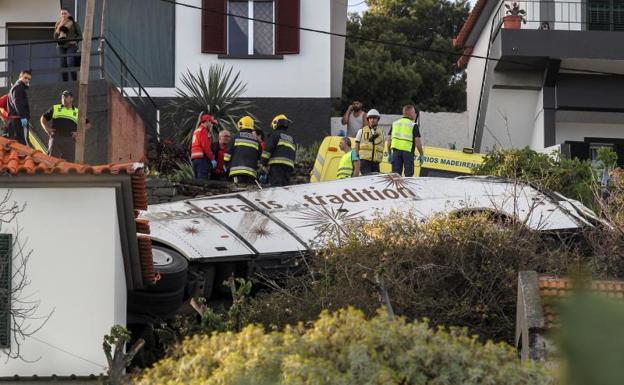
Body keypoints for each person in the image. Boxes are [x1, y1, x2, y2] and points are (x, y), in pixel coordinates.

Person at [386, 104, 424, 178]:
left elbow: (389, 141)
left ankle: (396, 189)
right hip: (408, 153)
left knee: (395, 177)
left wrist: (389, 153)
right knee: (408, 177)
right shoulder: (413, 125)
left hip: (396, 153)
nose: (415, 114)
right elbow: (417, 142)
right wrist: (421, 154)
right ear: (410, 113)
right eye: (414, 112)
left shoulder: (395, 123)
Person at [224, 116, 262, 185]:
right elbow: (260, 158)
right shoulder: (256, 141)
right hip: (251, 173)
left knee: (238, 191)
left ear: (240, 125)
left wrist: (226, 165)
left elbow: (227, 155)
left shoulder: (235, 137)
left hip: (236, 172)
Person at [261, 114, 296, 187]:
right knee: (285, 187)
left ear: (276, 123)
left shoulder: (275, 135)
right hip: (288, 167)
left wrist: (263, 162)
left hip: (277, 166)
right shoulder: (292, 138)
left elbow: (268, 150)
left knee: (276, 187)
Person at [54, 8, 82, 82]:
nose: (63, 15)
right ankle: (65, 83)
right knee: (63, 64)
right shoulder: (58, 24)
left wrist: (73, 40)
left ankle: (74, 81)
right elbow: (55, 37)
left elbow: (80, 36)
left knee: (70, 62)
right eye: (62, 13)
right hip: (60, 46)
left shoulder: (74, 23)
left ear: (69, 14)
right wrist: (59, 26)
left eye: (65, 13)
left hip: (71, 45)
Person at [355, 109, 384, 175]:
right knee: (366, 180)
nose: (372, 120)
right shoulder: (361, 131)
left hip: (376, 162)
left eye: (374, 118)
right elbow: (357, 145)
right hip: (365, 161)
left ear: (378, 119)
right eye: (370, 118)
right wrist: (357, 158)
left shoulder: (381, 132)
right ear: (368, 119)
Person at [7, 70, 32, 146]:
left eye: (29, 79)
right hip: (18, 120)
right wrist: (23, 117)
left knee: (17, 144)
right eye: (25, 78)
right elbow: (18, 104)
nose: (27, 80)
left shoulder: (16, 87)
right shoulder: (18, 88)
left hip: (16, 120)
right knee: (22, 144)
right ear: (20, 77)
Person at [190, 113, 218, 179]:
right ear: (207, 121)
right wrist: (212, 159)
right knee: (202, 181)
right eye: (211, 122)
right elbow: (205, 146)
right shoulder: (203, 130)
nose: (211, 125)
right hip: (202, 159)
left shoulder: (197, 130)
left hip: (194, 159)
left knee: (197, 181)